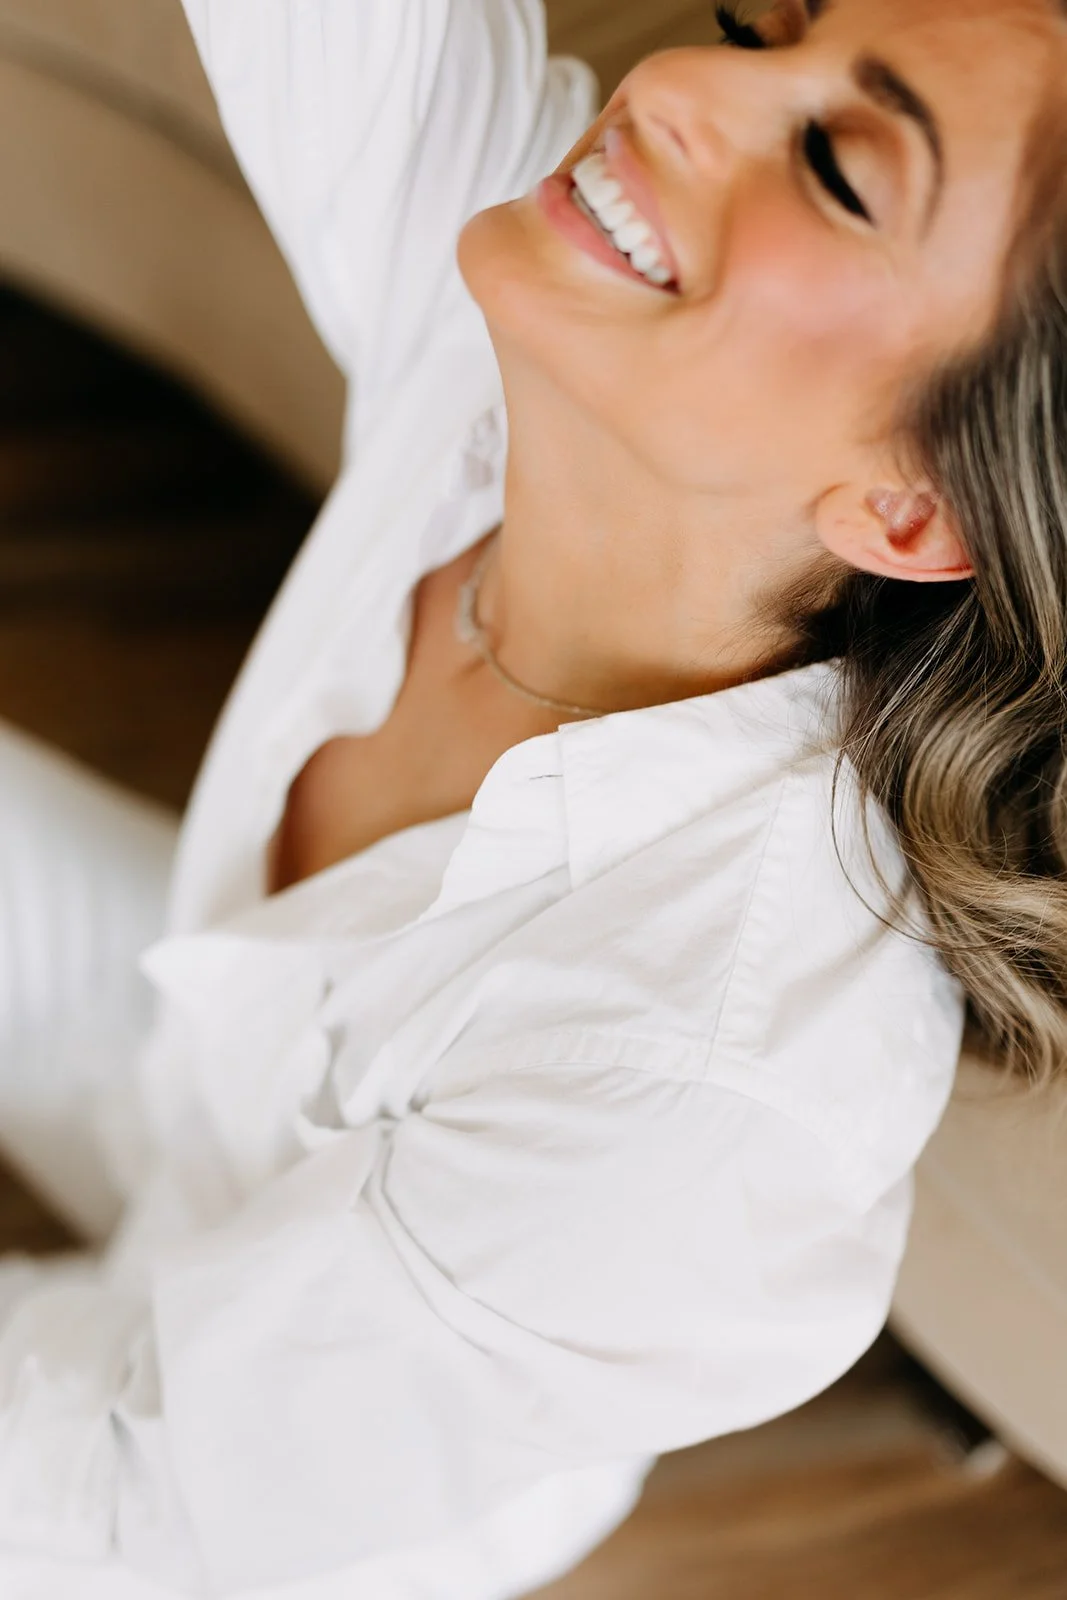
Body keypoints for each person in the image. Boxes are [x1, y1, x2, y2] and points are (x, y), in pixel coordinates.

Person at [0, 0, 1064, 1593]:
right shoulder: (546, 314)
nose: (681, 81)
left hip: (259, 1511)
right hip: (187, 1064)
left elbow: (133, 1482)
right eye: (758, 23)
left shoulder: (693, 1095)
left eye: (839, 169)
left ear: (912, 507)